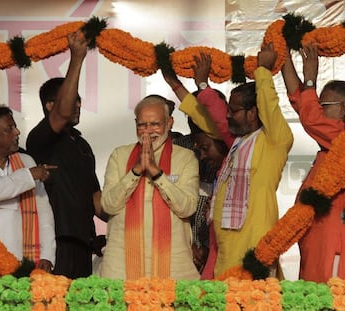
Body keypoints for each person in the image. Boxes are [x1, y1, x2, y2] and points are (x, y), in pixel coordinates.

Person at [169, 44, 293, 278]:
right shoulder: (237, 141)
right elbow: (208, 117)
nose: (227, 114)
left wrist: (263, 71)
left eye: (234, 110)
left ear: (253, 112)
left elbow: (270, 105)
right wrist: (199, 85)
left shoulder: (274, 141)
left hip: (254, 243)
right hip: (226, 244)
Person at [281, 43, 345, 282]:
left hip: (336, 244)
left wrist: (310, 79)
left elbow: (309, 116)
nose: (318, 110)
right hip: (316, 241)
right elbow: (303, 105)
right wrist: (284, 56)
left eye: (324, 106)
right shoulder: (330, 139)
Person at [26, 30, 106, 279]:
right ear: (50, 105)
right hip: (54, 244)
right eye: (73, 99)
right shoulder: (40, 139)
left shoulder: (81, 143)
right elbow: (60, 115)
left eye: (80, 100)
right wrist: (77, 59)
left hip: (83, 242)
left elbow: (96, 199)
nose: (78, 105)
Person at [100, 95, 200, 280]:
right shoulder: (119, 155)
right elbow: (108, 205)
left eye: (155, 124)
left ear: (169, 123)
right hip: (120, 265)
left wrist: (157, 174)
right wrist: (135, 171)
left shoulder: (185, 158)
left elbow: (187, 208)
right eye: (142, 125)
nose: (148, 131)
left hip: (173, 264)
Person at [161, 69, 229, 273]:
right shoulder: (175, 148)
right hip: (178, 248)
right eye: (196, 111)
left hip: (220, 248)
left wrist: (210, 249)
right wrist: (184, 247)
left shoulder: (232, 150)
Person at [0, 105, 55, 272]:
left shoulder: (26, 162)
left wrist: (47, 254)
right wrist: (28, 176)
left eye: (15, 126)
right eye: (9, 129)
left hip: (22, 257)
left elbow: (43, 211)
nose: (17, 132)